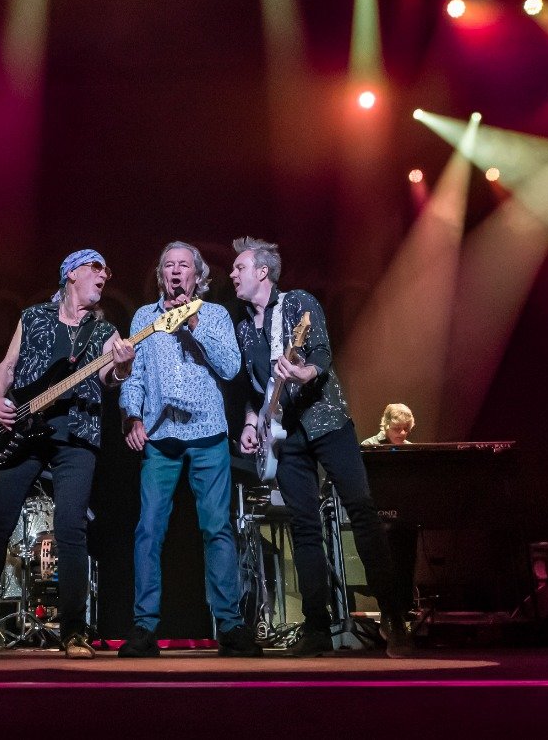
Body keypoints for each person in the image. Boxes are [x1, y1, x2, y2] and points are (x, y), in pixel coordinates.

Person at [0, 250, 135, 660]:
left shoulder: (105, 331)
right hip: (23, 434)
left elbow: (108, 376)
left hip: (76, 436)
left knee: (71, 530)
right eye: (96, 268)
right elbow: (7, 367)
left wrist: (122, 368)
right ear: (72, 273)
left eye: (107, 271)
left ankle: (74, 631)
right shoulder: (33, 317)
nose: (104, 276)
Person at [228, 237, 414, 657]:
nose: (233, 274)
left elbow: (321, 354)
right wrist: (251, 422)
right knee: (304, 527)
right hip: (286, 436)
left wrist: (303, 372)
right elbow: (254, 389)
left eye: (240, 267)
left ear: (262, 272)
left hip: (327, 423)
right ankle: (316, 627)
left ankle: (394, 615)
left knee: (362, 510)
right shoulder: (244, 329)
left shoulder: (298, 303)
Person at [117, 242, 261, 658]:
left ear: (197, 275)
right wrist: (132, 415)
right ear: (161, 275)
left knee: (217, 528)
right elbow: (134, 375)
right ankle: (144, 627)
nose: (176, 271)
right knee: (149, 529)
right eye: (169, 265)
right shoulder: (144, 317)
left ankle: (230, 625)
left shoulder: (214, 315)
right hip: (161, 438)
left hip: (208, 434)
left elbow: (231, 367)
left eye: (184, 265)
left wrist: (194, 322)